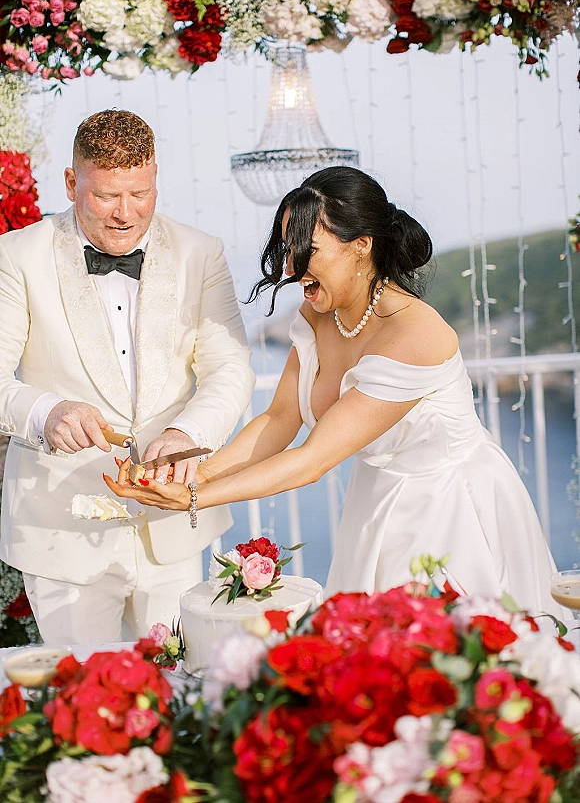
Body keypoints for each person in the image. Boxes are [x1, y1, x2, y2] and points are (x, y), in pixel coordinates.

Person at [105, 165, 564, 619]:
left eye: (307, 248)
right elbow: (280, 418)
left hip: (450, 510)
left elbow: (313, 459)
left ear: (361, 246)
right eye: (287, 248)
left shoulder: (414, 334)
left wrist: (193, 500)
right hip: (376, 501)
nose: (289, 266)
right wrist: (193, 474)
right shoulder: (318, 316)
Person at [0, 109, 254, 645]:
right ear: (72, 183)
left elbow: (229, 367)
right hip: (61, 528)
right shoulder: (17, 255)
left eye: (141, 193)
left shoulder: (200, 253)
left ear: (156, 176)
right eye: (106, 196)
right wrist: (47, 413)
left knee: (181, 683)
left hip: (173, 524)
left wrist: (190, 435)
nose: (126, 214)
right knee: (85, 698)